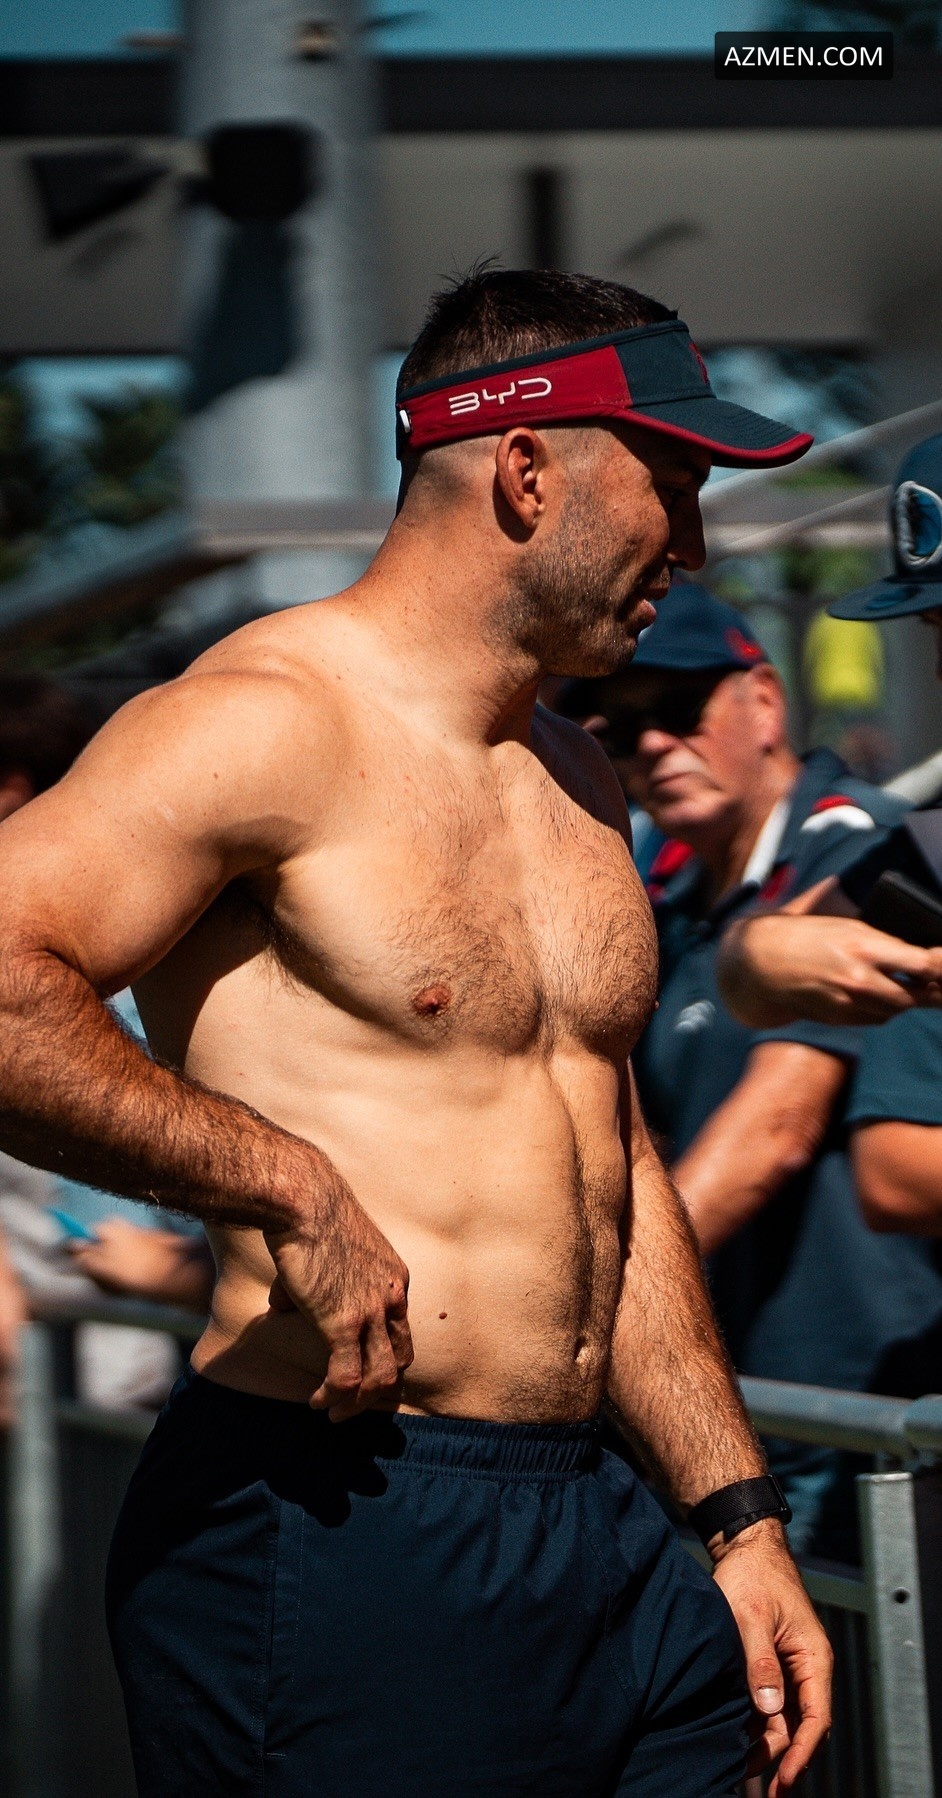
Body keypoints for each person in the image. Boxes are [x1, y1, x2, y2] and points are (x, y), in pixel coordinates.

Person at [0, 268, 830, 1798]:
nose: (693, 545)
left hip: (604, 1524)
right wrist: (279, 1180)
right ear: (524, 468)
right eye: (670, 485)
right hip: (338, 1511)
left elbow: (610, 1150)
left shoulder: (577, 773)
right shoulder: (263, 717)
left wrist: (735, 1514)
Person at [562, 584, 942, 1552]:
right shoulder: (667, 888)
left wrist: (605, 1310)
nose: (653, 745)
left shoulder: (862, 848)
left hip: (859, 1403)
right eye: (618, 728)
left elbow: (776, 1129)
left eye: (678, 708)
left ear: (765, 700)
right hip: (743, 1396)